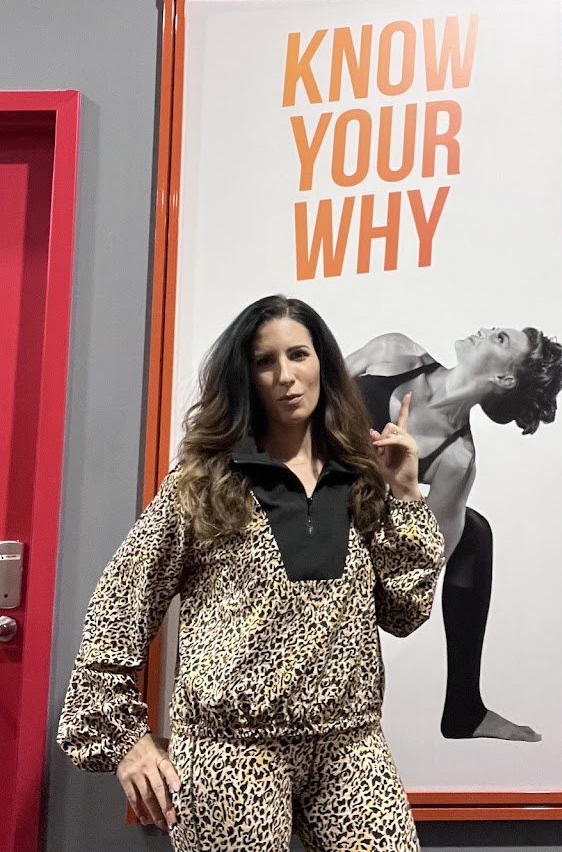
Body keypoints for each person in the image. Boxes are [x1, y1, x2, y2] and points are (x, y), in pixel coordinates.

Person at [58, 295, 444, 852]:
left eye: (298, 355)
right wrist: (123, 740)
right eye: (266, 362)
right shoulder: (204, 482)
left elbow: (405, 614)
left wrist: (404, 493)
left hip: (350, 744)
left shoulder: (361, 477)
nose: (285, 376)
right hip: (231, 752)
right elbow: (122, 602)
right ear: (246, 376)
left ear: (323, 364)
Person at [347, 325, 562, 743]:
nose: (486, 329)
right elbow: (300, 403)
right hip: (289, 495)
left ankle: (464, 709)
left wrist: (399, 489)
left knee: (472, 533)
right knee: (476, 532)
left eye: (500, 339)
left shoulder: (456, 459)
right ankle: (466, 709)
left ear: (504, 379)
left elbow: (412, 584)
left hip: (348, 539)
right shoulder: (392, 353)